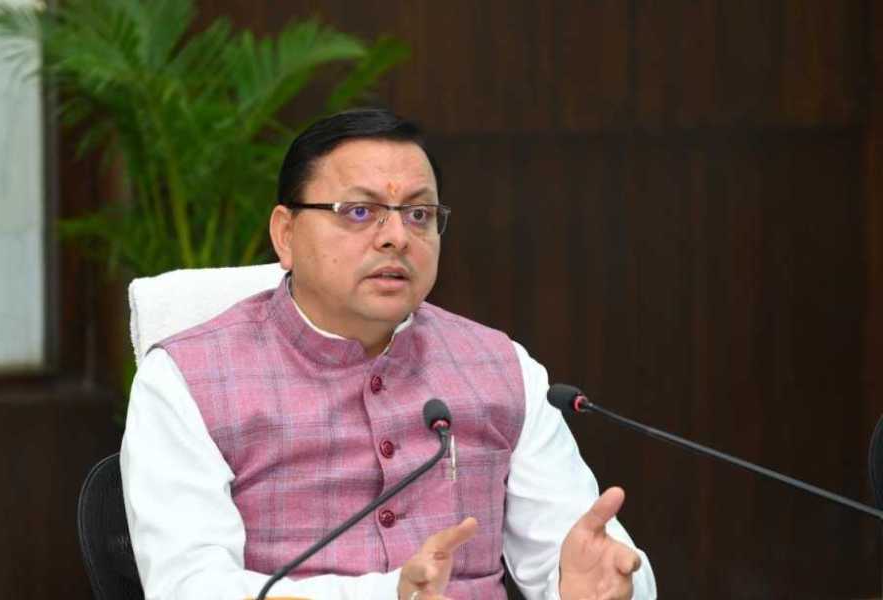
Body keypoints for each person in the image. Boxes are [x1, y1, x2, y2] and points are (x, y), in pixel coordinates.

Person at [121, 108, 658, 600]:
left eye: (419, 214)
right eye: (360, 211)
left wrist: (606, 587)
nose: (397, 237)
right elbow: (189, 588)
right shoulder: (186, 381)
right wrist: (386, 594)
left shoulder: (504, 368)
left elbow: (586, 553)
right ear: (285, 234)